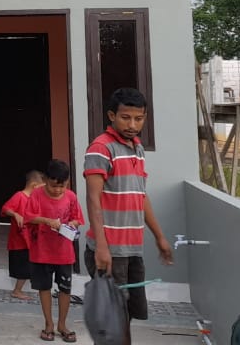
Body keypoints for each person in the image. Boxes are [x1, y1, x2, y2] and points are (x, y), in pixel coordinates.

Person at [84, 87, 175, 345]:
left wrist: (159, 237)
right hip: (110, 250)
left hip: (132, 248)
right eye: (126, 117)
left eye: (139, 118)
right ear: (112, 116)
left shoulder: (137, 149)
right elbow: (93, 199)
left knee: (127, 316)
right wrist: (102, 247)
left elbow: (140, 195)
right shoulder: (101, 148)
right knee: (111, 323)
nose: (132, 125)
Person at [27, 159, 84, 342]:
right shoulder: (37, 195)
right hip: (42, 251)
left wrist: (71, 224)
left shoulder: (71, 197)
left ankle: (62, 324)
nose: (58, 190)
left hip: (64, 253)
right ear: (46, 180)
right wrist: (46, 221)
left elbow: (78, 218)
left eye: (62, 186)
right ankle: (49, 324)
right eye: (53, 186)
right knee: (44, 287)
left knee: (65, 289)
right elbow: (28, 216)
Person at [0, 170, 44, 300]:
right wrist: (15, 214)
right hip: (19, 241)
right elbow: (5, 209)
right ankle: (17, 291)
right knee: (24, 269)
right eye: (41, 188)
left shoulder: (34, 200)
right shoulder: (19, 196)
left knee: (29, 266)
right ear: (34, 185)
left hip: (30, 241)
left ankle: (21, 289)